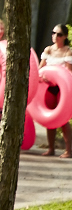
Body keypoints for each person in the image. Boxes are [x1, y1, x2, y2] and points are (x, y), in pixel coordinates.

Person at [40, 24, 72, 158]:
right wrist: (43, 77)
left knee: (63, 120)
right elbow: (40, 69)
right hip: (49, 87)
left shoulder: (68, 51)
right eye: (53, 33)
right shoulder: (48, 50)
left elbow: (69, 71)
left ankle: (68, 150)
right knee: (50, 118)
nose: (55, 36)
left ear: (64, 37)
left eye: (59, 34)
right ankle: (51, 148)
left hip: (63, 88)